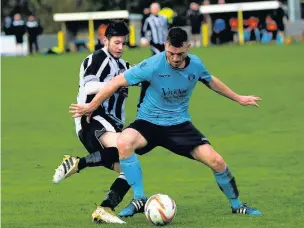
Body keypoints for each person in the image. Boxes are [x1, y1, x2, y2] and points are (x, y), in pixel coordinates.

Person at [70, 27, 263, 217]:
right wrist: (91, 106)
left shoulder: (196, 64)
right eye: (171, 53)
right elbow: (116, 82)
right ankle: (139, 199)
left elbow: (210, 80)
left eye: (180, 53)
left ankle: (237, 205)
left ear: (188, 47)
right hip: (148, 124)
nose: (175, 58)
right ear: (165, 46)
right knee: (124, 142)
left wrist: (238, 98)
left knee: (217, 161)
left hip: (179, 125)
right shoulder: (152, 65)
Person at [53, 20, 134, 224]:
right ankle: (77, 163)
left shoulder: (123, 65)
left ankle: (105, 208)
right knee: (127, 147)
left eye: (123, 43)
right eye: (116, 42)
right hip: (92, 118)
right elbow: (88, 88)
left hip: (112, 124)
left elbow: (140, 76)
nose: (120, 47)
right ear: (105, 40)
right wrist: (117, 82)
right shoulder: (98, 58)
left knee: (132, 170)